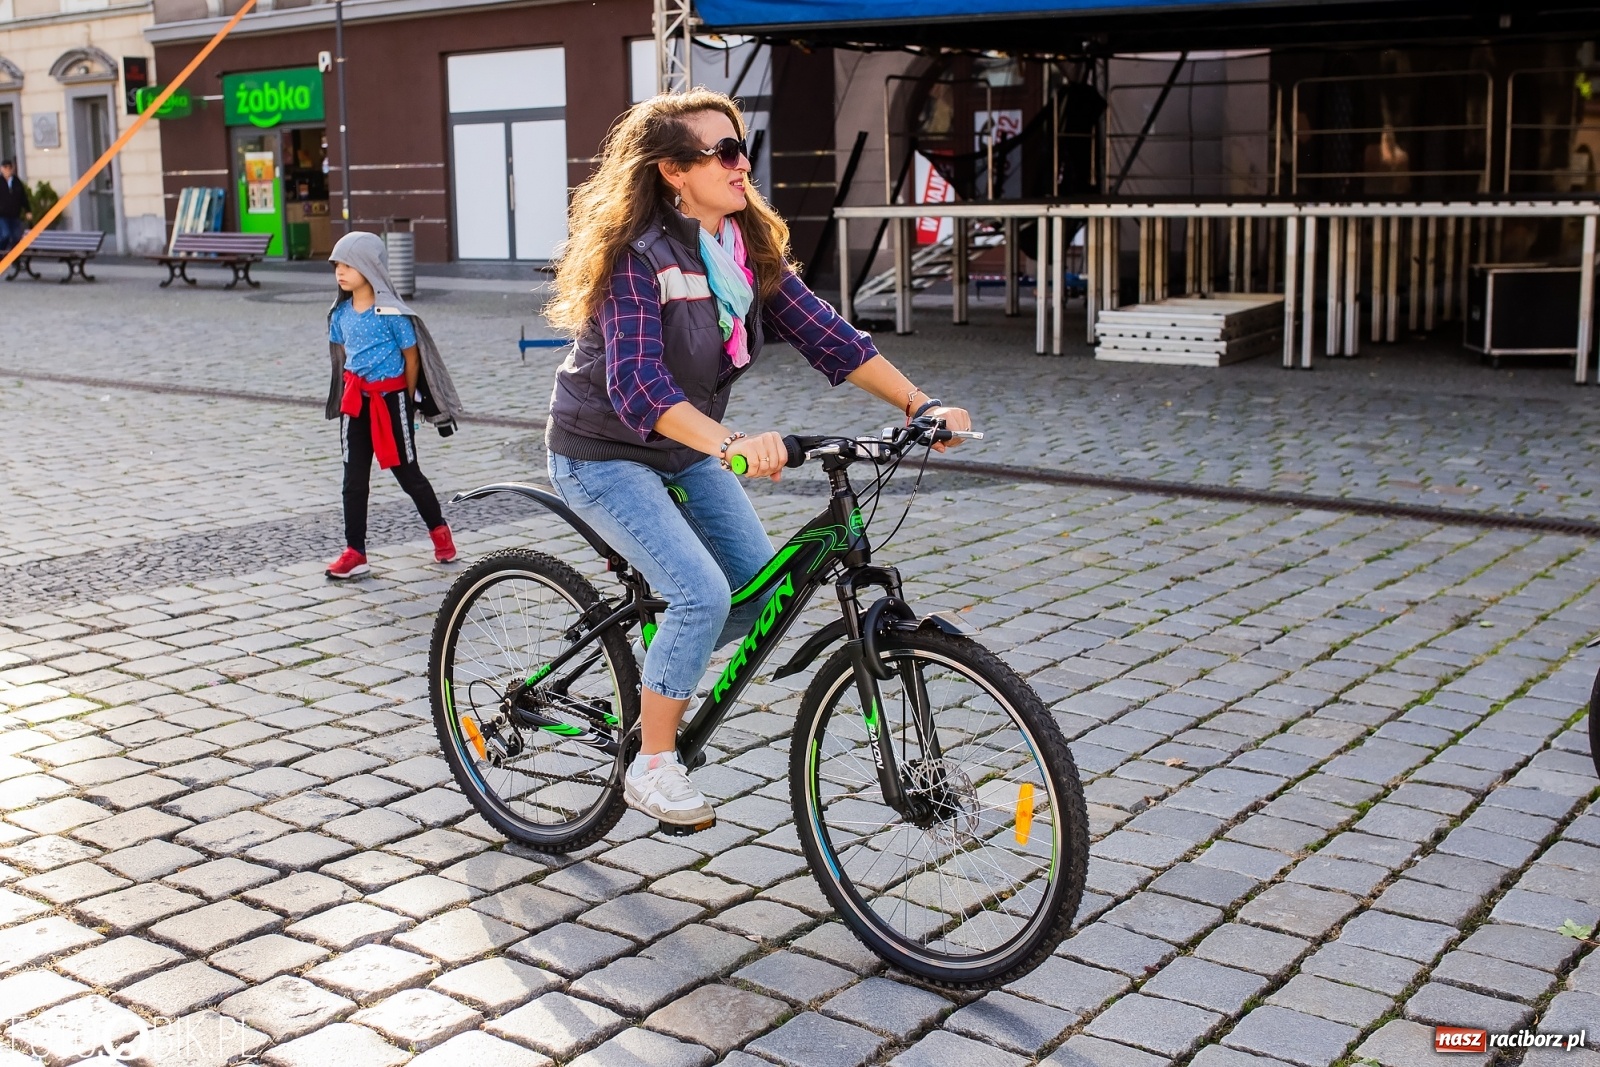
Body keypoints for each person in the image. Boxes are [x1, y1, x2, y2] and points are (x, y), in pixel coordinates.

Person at [543, 89, 971, 830]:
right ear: (675, 170)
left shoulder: (745, 250)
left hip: (683, 450)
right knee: (702, 596)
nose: (743, 165)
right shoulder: (635, 255)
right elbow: (640, 387)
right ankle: (651, 763)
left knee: (754, 597)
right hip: (603, 451)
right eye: (724, 152)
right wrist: (733, 444)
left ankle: (658, 652)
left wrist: (917, 405)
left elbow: (830, 338)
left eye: (745, 149)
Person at [322, 230, 463, 579]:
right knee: (353, 479)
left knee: (408, 474)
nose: (340, 271)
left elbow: (412, 359)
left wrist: (408, 399)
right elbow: (340, 359)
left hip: (391, 402)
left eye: (348, 264)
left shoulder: (392, 315)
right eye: (336, 265)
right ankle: (355, 551)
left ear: (369, 268)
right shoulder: (340, 315)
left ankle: (441, 534)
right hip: (355, 404)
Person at [0, 160, 30, 252]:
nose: (7, 170)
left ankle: (14, 258)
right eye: (5, 168)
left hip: (15, 215)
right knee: (5, 235)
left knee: (16, 237)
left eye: (9, 168)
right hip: (2, 215)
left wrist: (27, 210)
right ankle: (1, 253)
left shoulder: (16, 182)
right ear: (1, 169)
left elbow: (23, 197)